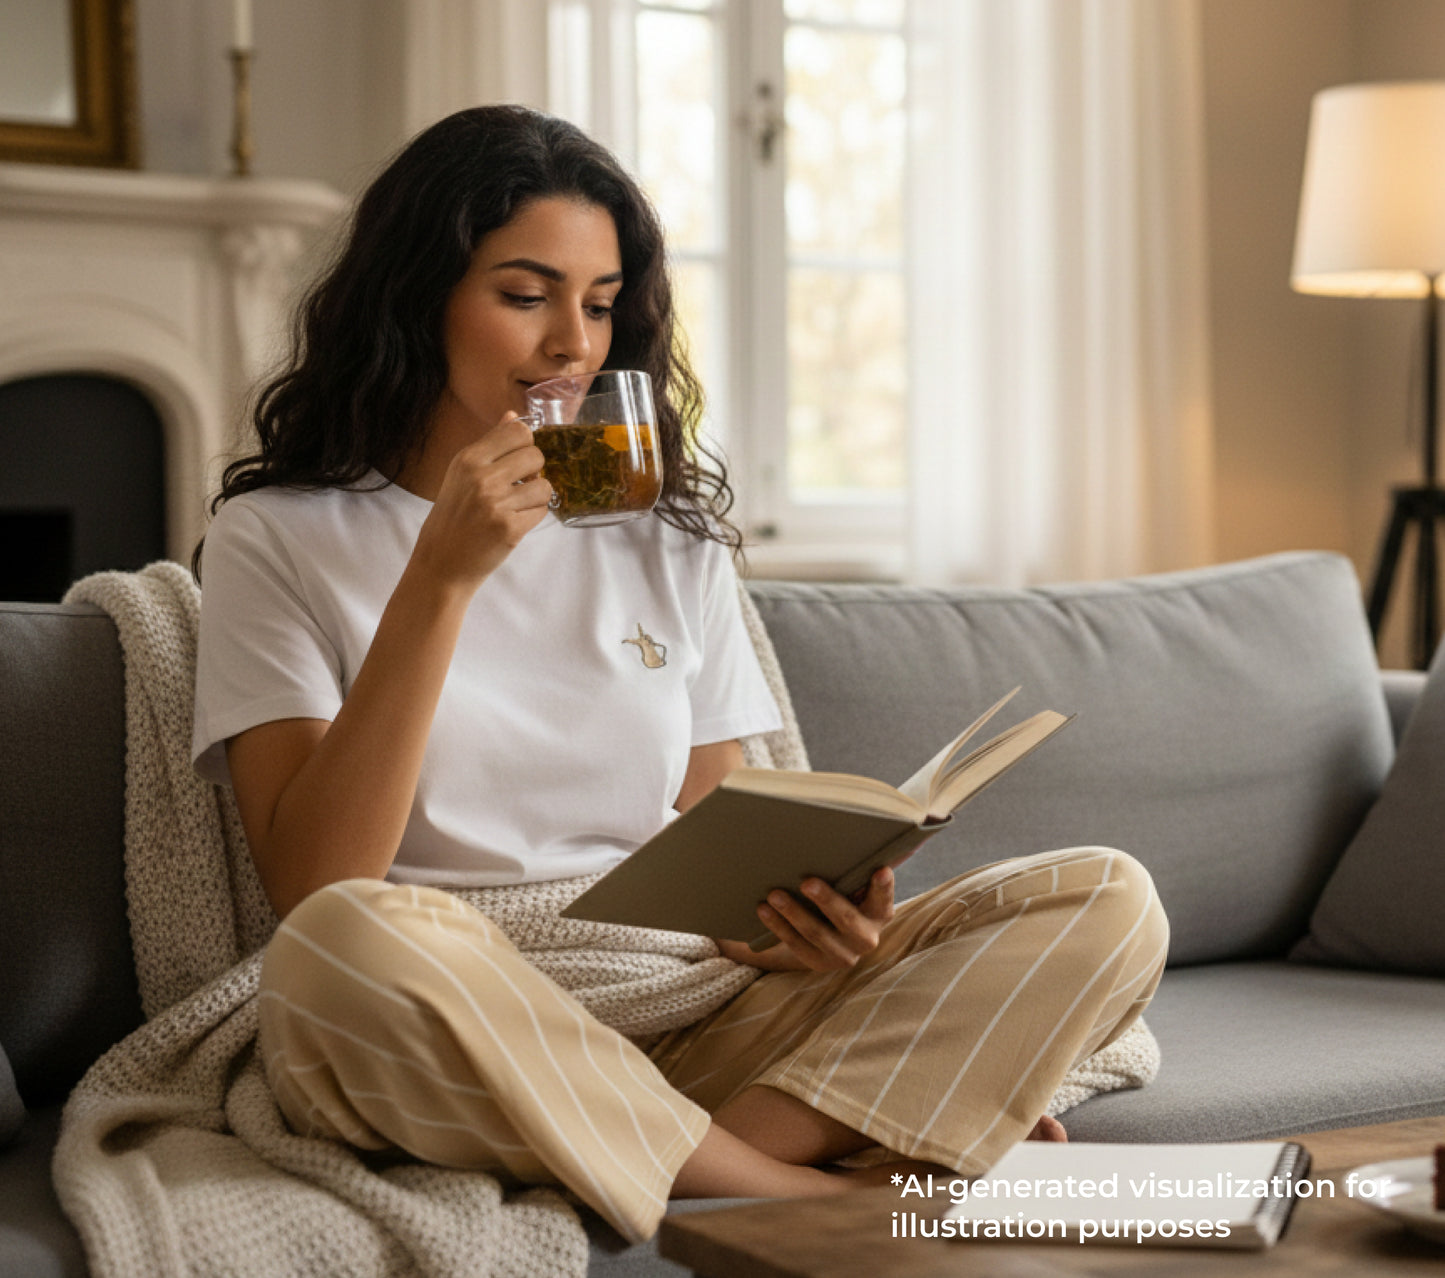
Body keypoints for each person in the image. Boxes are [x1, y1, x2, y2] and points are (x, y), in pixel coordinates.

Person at [191, 104, 1169, 1245]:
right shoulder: (280, 536)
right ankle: (817, 1187)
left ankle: (680, 1152)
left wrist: (789, 924)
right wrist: (438, 584)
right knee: (345, 949)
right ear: (417, 298)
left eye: (599, 305)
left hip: (673, 1006)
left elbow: (704, 862)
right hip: (449, 1004)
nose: (573, 345)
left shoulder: (664, 537)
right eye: (524, 295)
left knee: (1101, 896)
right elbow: (318, 884)